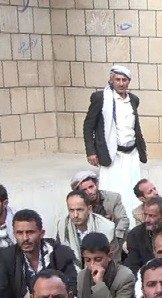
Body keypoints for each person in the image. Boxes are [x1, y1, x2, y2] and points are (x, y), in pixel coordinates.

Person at [0, 210, 78, 298]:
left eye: (30, 232)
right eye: (20, 233)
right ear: (14, 234)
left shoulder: (61, 254)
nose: (25, 238)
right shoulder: (8, 256)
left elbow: (71, 291)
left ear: (41, 233)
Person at [83, 65, 147, 202]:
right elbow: (88, 126)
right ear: (111, 80)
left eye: (124, 80)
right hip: (112, 153)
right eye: (117, 79)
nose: (121, 83)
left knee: (133, 191)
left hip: (132, 153)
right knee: (112, 192)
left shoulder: (133, 100)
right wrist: (91, 151)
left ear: (129, 81)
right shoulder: (101, 98)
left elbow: (135, 127)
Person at [76, 232, 134, 298]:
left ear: (109, 256)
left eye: (98, 259)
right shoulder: (82, 276)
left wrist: (99, 284)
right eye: (88, 260)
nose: (92, 265)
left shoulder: (125, 277)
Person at [72, 172, 130, 252]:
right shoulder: (78, 205)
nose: (90, 192)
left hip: (117, 240)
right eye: (84, 190)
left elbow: (123, 220)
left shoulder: (113, 198)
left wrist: (115, 238)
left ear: (97, 184)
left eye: (91, 187)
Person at [55, 190, 116, 262]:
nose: (75, 215)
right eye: (71, 210)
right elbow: (60, 258)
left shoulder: (107, 227)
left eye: (79, 210)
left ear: (89, 209)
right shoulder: (62, 225)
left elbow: (114, 260)